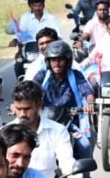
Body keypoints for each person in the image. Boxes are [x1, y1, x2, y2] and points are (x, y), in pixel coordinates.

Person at [9, 81, 87, 178]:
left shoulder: (57, 131)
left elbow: (67, 161)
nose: (22, 114)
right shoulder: (5, 133)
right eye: (19, 109)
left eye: (27, 109)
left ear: (39, 105)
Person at [31, 40, 96, 170]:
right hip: (46, 121)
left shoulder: (75, 75)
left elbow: (87, 92)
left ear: (68, 61)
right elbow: (30, 91)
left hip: (70, 121)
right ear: (48, 61)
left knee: (84, 145)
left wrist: (90, 103)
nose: (57, 63)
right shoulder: (42, 75)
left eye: (60, 59)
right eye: (53, 60)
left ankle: (84, 177)